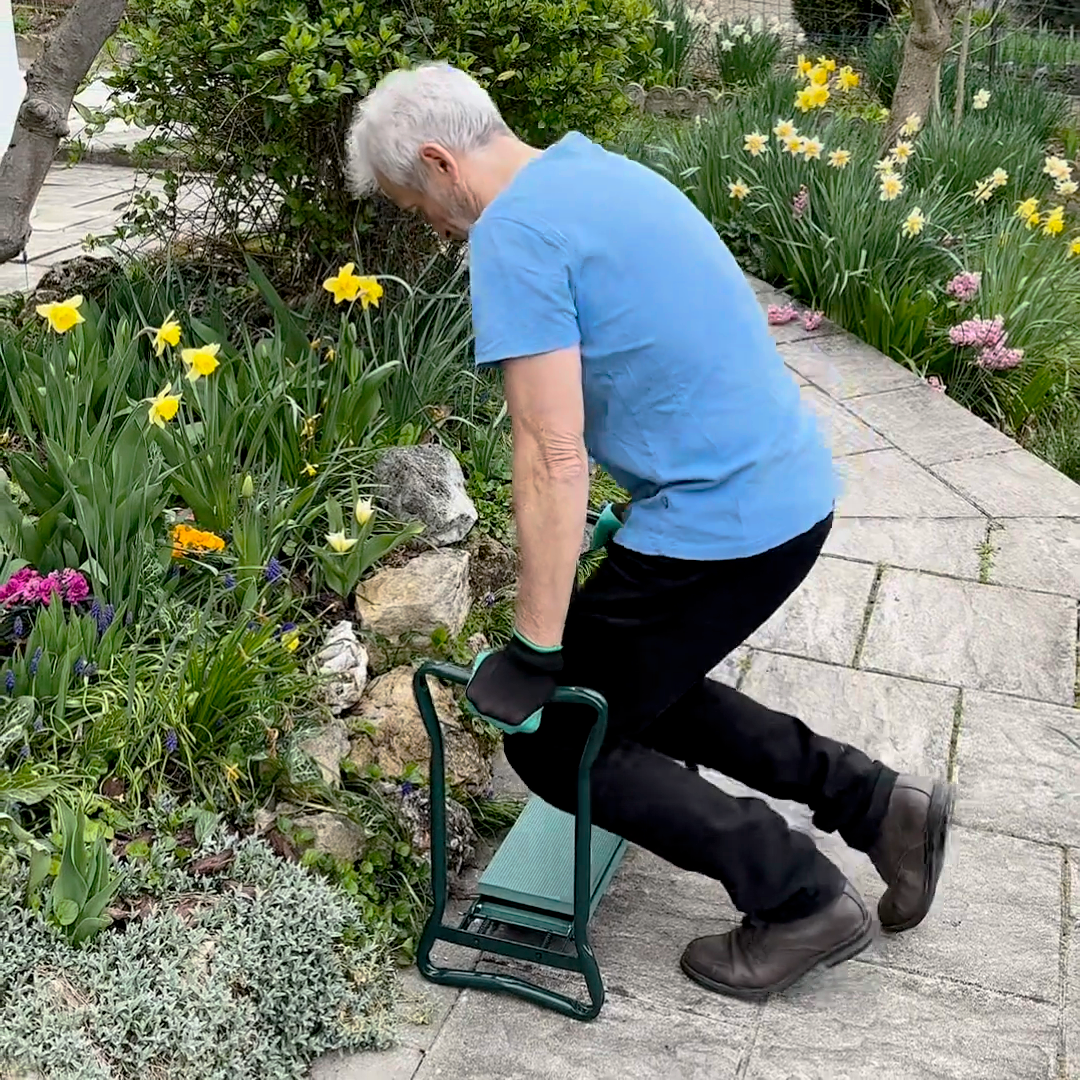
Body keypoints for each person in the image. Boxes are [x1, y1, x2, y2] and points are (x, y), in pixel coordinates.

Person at [345, 62, 954, 1002]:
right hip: (783, 490)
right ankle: (876, 801)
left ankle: (800, 900)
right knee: (634, 690)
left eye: (415, 202)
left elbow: (549, 450)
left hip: (724, 520)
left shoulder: (514, 231)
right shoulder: (597, 172)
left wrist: (534, 645)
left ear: (438, 160)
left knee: (556, 735)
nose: (428, 225)